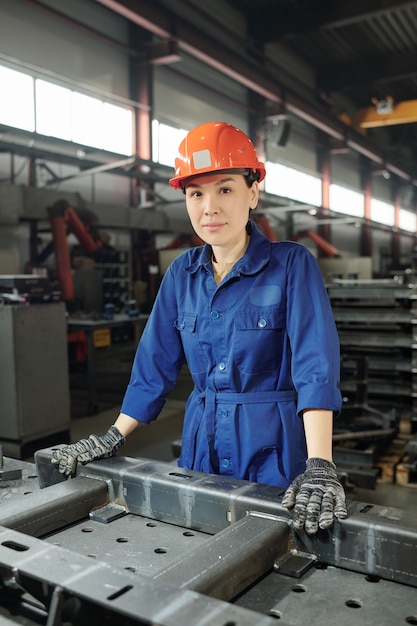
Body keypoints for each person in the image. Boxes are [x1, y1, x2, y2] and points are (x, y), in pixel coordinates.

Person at [51, 121, 347, 535]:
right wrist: (112, 437)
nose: (209, 207)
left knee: (271, 551)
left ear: (253, 193)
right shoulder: (180, 275)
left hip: (274, 446)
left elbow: (316, 366)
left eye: (225, 189)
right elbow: (153, 366)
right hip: (200, 443)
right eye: (196, 193)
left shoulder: (292, 265)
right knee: (198, 542)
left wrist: (319, 465)